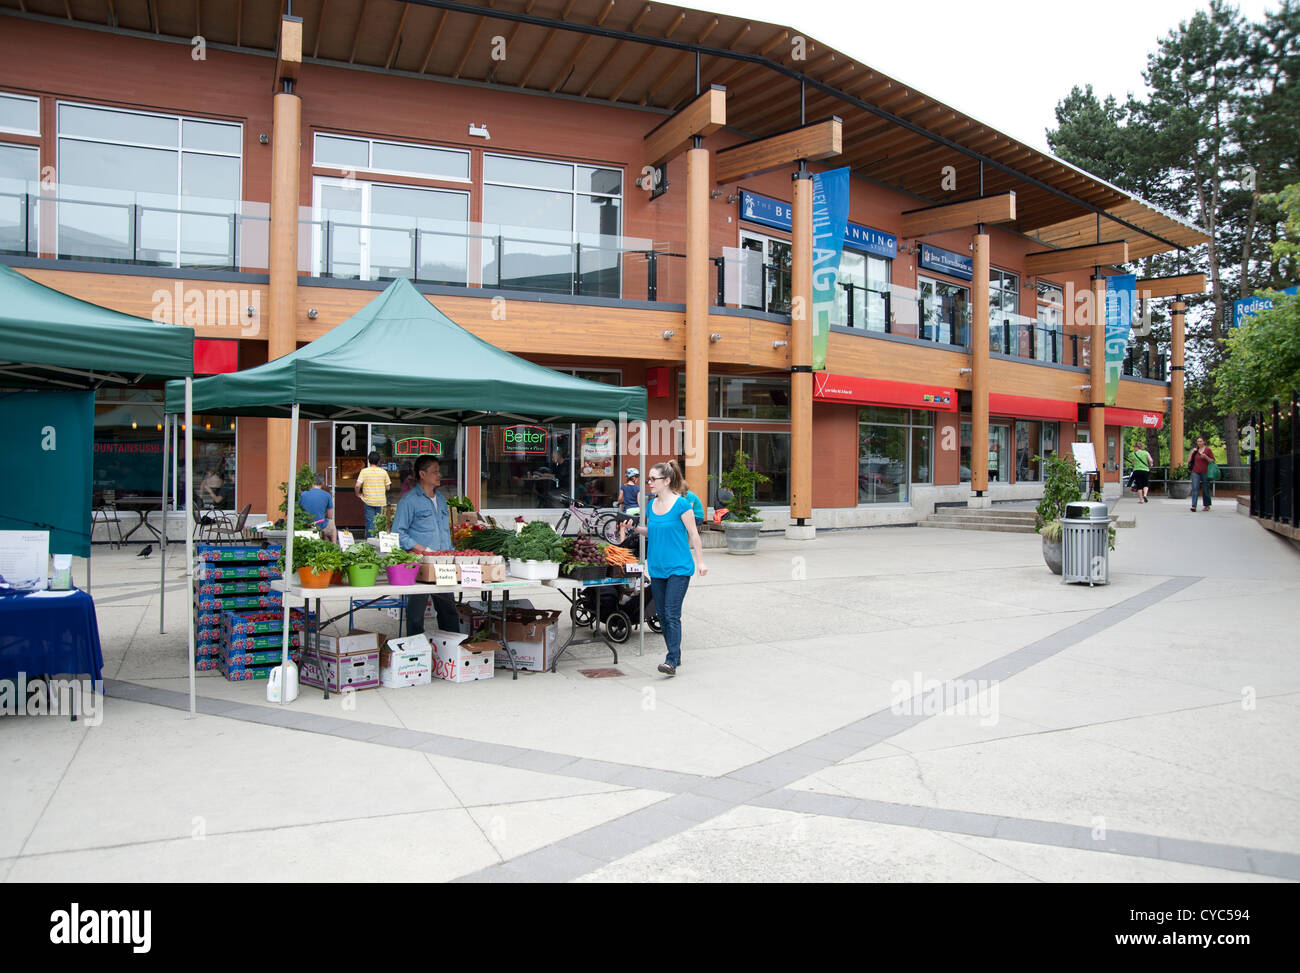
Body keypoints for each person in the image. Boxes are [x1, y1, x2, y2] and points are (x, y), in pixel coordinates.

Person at [633, 460, 707, 677]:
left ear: (666, 481)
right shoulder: (652, 506)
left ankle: (671, 660)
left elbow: (694, 534)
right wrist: (635, 528)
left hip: (679, 568)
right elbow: (653, 532)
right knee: (662, 616)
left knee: (671, 614)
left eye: (653, 479)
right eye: (648, 479)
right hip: (656, 567)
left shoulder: (682, 505)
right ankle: (675, 652)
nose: (649, 483)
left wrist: (701, 562)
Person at [391, 455, 460, 637]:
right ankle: (416, 651)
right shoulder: (409, 501)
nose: (439, 475)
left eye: (439, 471)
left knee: (449, 610)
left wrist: (453, 556)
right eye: (435, 471)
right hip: (420, 564)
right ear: (422, 474)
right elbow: (398, 533)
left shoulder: (442, 500)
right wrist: (421, 548)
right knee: (415, 614)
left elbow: (445, 531)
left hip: (444, 564)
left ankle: (452, 649)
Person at [354, 451, 392, 538]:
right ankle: (381, 541)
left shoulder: (364, 471)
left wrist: (358, 494)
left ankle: (371, 543)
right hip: (381, 501)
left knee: (370, 522)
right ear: (378, 461)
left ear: (369, 460)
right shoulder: (383, 472)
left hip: (368, 501)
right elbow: (388, 488)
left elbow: (357, 485)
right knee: (381, 523)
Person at [298, 474, 337, 542]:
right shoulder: (327, 495)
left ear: (311, 482)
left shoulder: (302, 494)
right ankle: (334, 546)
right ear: (323, 483)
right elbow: (330, 515)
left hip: (304, 524)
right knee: (332, 526)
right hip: (319, 524)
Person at [1189, 437, 1214, 512]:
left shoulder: (1208, 450)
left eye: (1200, 441)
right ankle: (1194, 505)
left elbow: (1212, 461)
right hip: (1195, 471)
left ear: (1204, 442)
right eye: (1198, 441)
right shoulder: (1195, 450)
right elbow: (1189, 461)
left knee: (1205, 488)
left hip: (1205, 471)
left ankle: (1207, 505)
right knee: (1195, 488)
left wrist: (1206, 457)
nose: (1199, 443)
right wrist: (1191, 453)